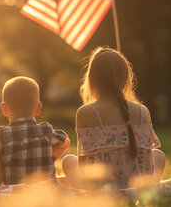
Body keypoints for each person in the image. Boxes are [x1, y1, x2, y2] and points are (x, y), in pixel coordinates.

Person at [62, 47, 165, 190]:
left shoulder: (86, 112)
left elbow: (83, 165)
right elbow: (148, 164)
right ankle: (147, 190)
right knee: (158, 155)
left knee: (68, 161)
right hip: (138, 189)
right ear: (125, 78)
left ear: (92, 79)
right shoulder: (143, 111)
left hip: (103, 191)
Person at [0, 76, 70, 185]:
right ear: (38, 108)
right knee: (66, 179)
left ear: (4, 109)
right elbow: (65, 141)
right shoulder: (46, 130)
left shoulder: (0, 135)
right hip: (48, 193)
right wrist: (50, 158)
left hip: (13, 194)